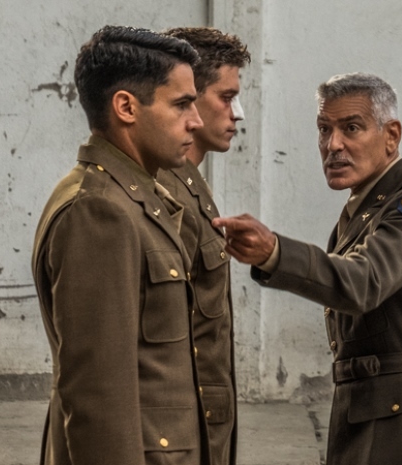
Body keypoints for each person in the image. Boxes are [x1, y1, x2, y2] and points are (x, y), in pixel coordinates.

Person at [213, 73, 402, 465]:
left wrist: (276, 253)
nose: (333, 145)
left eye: (351, 128)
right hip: (373, 410)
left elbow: (362, 281)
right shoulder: (365, 211)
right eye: (324, 129)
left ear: (391, 136)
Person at [32, 25, 209, 465]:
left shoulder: (134, 196)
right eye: (181, 104)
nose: (197, 120)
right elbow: (97, 395)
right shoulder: (99, 211)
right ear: (126, 107)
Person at [156, 27, 250, 465]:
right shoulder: (166, 192)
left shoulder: (190, 185)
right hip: (182, 426)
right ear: (190, 99)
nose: (238, 113)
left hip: (206, 421)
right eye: (226, 98)